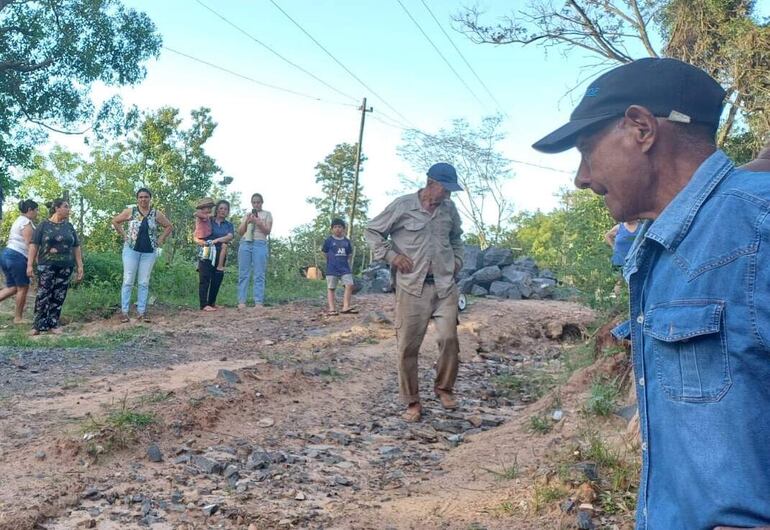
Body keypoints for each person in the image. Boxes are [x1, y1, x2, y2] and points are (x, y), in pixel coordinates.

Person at [532, 57, 770, 530]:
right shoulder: (654, 241)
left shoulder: (758, 225)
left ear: (641, 129)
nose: (580, 177)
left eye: (586, 150)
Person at [365, 162, 464, 423]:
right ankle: (412, 402)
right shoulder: (403, 206)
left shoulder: (449, 210)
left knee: (449, 339)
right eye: (445, 189)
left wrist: (458, 262)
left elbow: (457, 238)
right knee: (408, 347)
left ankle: (444, 389)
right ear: (431, 183)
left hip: (444, 285)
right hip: (412, 287)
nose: (448, 195)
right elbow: (372, 230)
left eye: (451, 191)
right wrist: (391, 256)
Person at [111, 188, 173, 323]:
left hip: (149, 251)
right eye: (140, 197)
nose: (143, 199)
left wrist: (160, 239)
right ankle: (124, 312)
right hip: (131, 249)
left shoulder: (155, 214)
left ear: (150, 198)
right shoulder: (131, 211)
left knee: (143, 282)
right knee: (128, 280)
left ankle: (141, 312)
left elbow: (169, 226)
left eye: (146, 197)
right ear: (137, 199)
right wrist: (124, 235)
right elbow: (115, 221)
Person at [26, 198, 84, 335]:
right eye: (66, 206)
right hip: (46, 265)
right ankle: (37, 325)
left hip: (65, 266)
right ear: (57, 208)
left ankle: (53, 323)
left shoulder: (69, 227)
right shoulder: (43, 225)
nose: (68, 209)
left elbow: (76, 247)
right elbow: (34, 245)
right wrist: (29, 265)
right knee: (43, 294)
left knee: (59, 295)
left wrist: (80, 266)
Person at [0, 199, 39, 323]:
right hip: (16, 256)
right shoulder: (26, 222)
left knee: (12, 287)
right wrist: (35, 262)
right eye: (36, 210)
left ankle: (18, 317)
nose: (37, 213)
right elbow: (29, 245)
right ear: (29, 210)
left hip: (6, 254)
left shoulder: (18, 220)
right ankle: (18, 318)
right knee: (23, 287)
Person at [195, 199, 233, 311]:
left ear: (228, 211)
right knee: (205, 277)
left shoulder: (229, 225)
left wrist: (217, 240)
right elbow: (196, 234)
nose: (223, 211)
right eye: (221, 208)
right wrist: (199, 241)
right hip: (207, 250)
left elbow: (229, 236)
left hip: (220, 251)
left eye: (225, 209)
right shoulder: (208, 220)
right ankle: (204, 304)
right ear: (216, 210)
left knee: (217, 277)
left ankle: (212, 303)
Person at [237, 193, 272, 309]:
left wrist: (258, 222)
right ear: (251, 203)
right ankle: (242, 301)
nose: (256, 204)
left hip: (259, 243)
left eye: (258, 202)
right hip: (245, 243)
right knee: (244, 273)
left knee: (259, 273)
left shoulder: (267, 214)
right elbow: (240, 232)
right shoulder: (247, 215)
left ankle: (258, 302)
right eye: (254, 202)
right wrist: (247, 221)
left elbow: (267, 231)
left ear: (262, 202)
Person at [322, 218, 356, 315]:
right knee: (331, 288)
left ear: (343, 229)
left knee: (349, 285)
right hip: (332, 268)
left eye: (340, 227)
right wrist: (331, 260)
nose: (338, 229)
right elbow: (324, 253)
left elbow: (349, 254)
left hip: (345, 268)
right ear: (332, 229)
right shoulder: (328, 241)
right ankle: (332, 309)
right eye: (335, 227)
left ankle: (346, 306)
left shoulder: (347, 241)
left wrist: (345, 262)